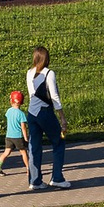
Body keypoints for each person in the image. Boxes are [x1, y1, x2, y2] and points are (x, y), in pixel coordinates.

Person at [25, 45, 67, 190]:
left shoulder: (29, 73)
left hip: (31, 113)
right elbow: (54, 96)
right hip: (45, 112)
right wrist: (62, 118)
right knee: (58, 142)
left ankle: (35, 181)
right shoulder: (49, 73)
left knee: (34, 146)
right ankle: (57, 178)